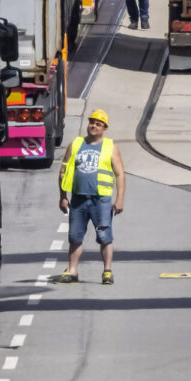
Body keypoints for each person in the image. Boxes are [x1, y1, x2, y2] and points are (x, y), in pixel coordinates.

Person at [53, 109, 125, 285]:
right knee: (74, 237)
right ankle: (72, 271)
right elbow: (63, 171)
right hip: (78, 199)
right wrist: (63, 196)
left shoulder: (111, 147)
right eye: (92, 122)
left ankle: (107, 272)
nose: (93, 126)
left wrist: (119, 199)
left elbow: (120, 175)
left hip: (101, 200)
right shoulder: (76, 144)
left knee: (105, 237)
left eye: (98, 124)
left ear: (104, 128)